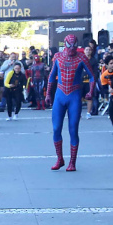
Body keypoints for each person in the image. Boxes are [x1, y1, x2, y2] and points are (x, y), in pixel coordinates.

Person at [45, 34, 95, 172]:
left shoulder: (82, 57)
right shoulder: (57, 56)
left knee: (73, 130)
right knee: (56, 128)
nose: (72, 48)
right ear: (65, 44)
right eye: (69, 45)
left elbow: (92, 76)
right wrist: (48, 93)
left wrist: (91, 92)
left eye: (74, 45)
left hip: (74, 96)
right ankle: (59, 158)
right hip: (60, 95)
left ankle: (72, 162)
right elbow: (51, 76)